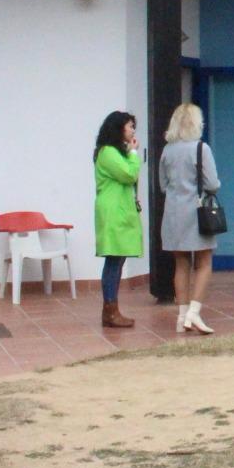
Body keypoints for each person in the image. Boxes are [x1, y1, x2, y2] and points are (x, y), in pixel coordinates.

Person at [158, 102, 221, 335]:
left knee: (181, 263)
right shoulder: (201, 149)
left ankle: (182, 315)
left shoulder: (167, 149)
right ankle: (194, 312)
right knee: (204, 262)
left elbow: (162, 185)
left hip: (173, 212)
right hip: (197, 212)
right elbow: (212, 183)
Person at [92, 111, 142, 329]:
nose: (132, 131)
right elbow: (128, 175)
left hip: (120, 210)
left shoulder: (115, 152)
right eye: (130, 126)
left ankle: (112, 308)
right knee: (114, 259)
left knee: (118, 259)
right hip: (113, 211)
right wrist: (133, 154)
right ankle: (110, 310)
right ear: (118, 128)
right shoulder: (108, 152)